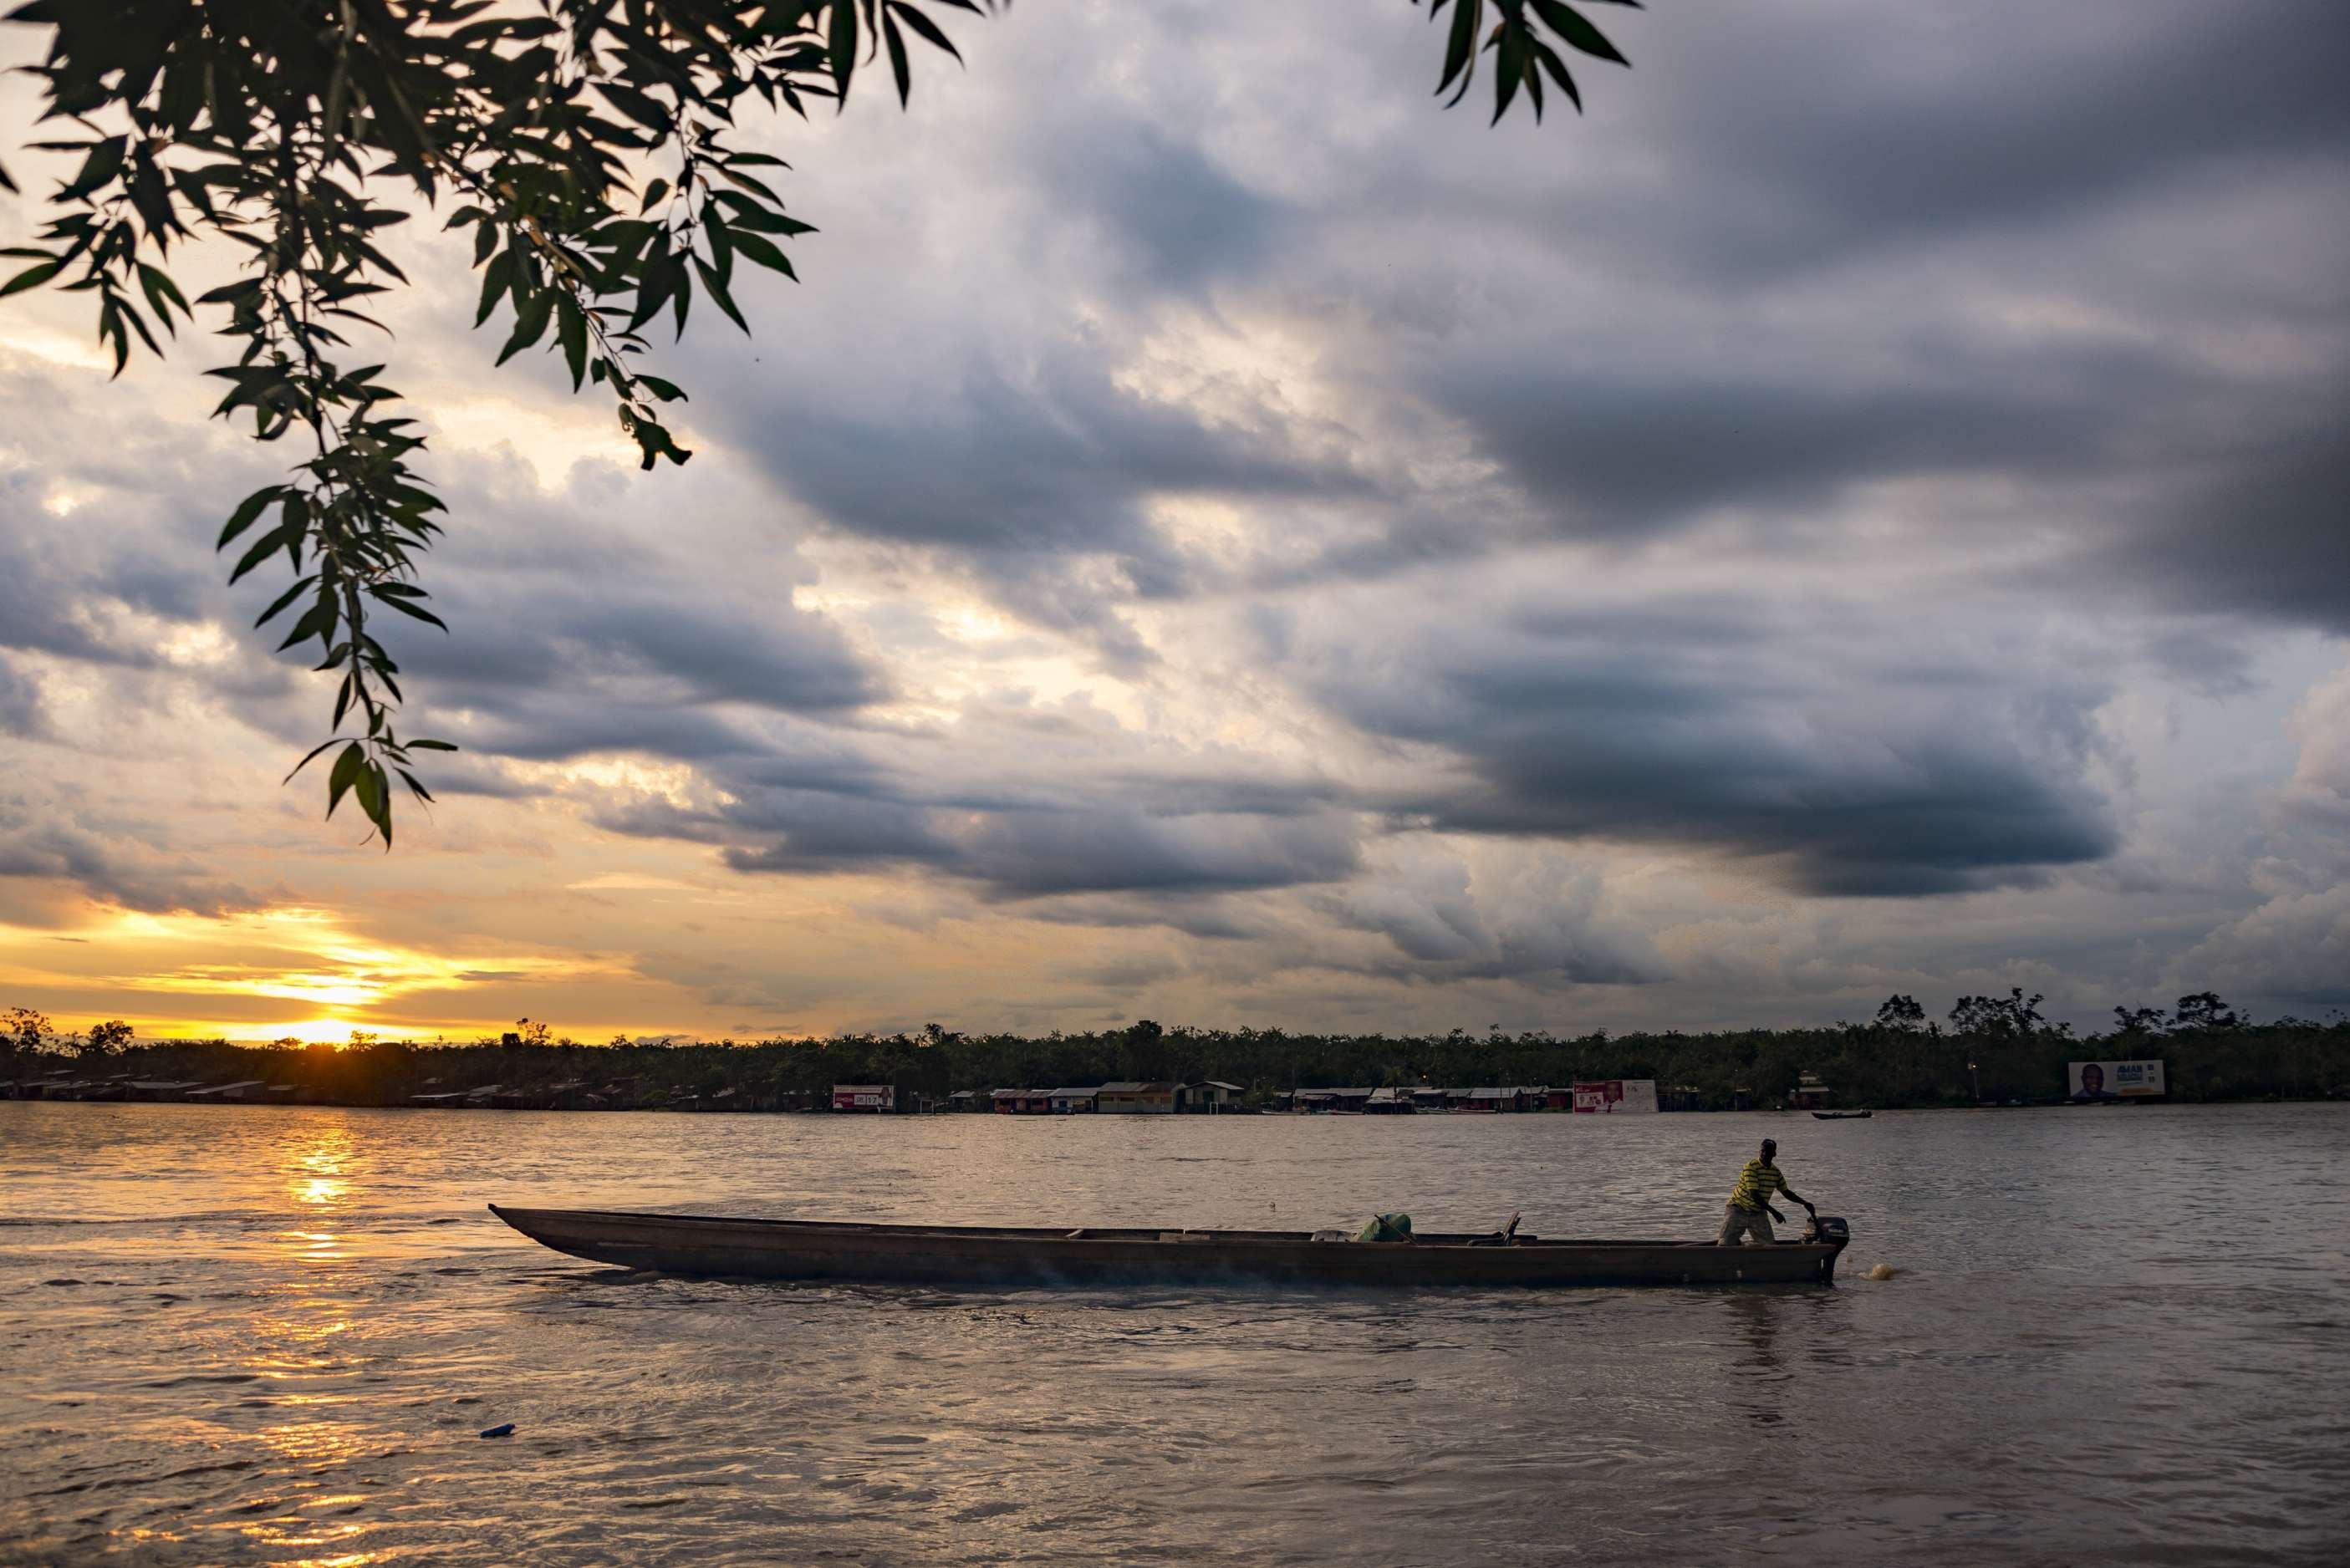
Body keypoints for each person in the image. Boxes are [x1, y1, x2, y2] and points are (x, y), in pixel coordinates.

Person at [1719, 1137, 1812, 1245]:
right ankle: (1735, 1244)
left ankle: (1746, 1246)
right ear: (1760, 1151)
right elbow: (1754, 1195)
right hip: (1738, 1209)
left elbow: (1786, 1192)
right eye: (1762, 1151)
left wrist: (1804, 1203)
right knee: (1725, 1244)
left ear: (1774, 1154)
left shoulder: (1775, 1172)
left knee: (1769, 1245)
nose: (1764, 1154)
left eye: (1767, 1152)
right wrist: (1775, 1212)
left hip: (1758, 1212)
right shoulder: (1751, 1167)